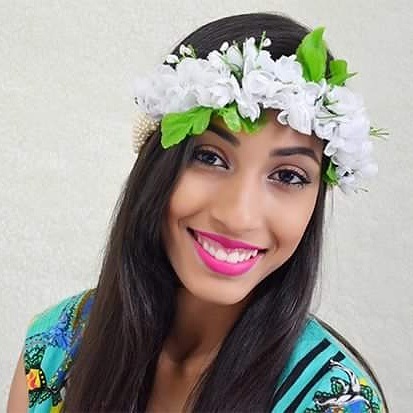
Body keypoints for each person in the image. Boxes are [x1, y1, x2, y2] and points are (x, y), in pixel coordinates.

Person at [7, 12, 389, 413]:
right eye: (209, 157)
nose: (238, 216)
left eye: (288, 176)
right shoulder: (55, 347)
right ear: (157, 165)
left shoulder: (338, 402)